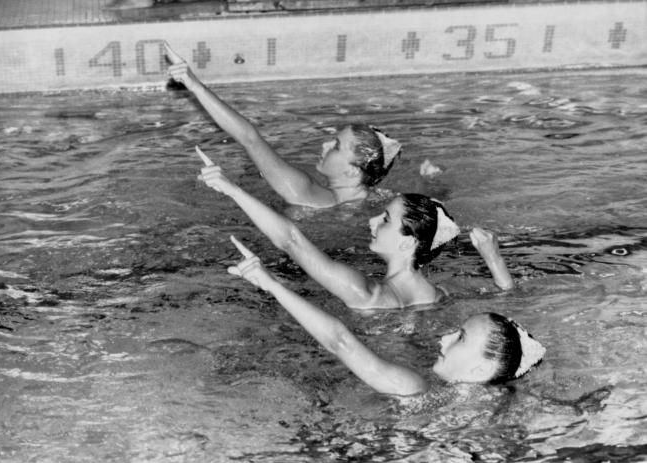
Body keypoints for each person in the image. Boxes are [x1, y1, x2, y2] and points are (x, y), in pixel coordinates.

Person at [226, 236, 545, 396]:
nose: (445, 337)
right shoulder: (495, 400)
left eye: (460, 338)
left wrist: (272, 285)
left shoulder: (415, 388)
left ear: (479, 369)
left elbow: (340, 341)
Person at [196, 148, 513, 309]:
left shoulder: (367, 292)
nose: (373, 220)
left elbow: (292, 240)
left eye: (385, 219)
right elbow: (506, 296)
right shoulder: (442, 294)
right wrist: (493, 258)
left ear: (408, 244)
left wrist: (232, 190)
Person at [165, 43, 402, 208]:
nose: (326, 144)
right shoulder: (383, 202)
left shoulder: (305, 191)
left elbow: (249, 138)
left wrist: (195, 86)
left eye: (337, 146)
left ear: (352, 171)